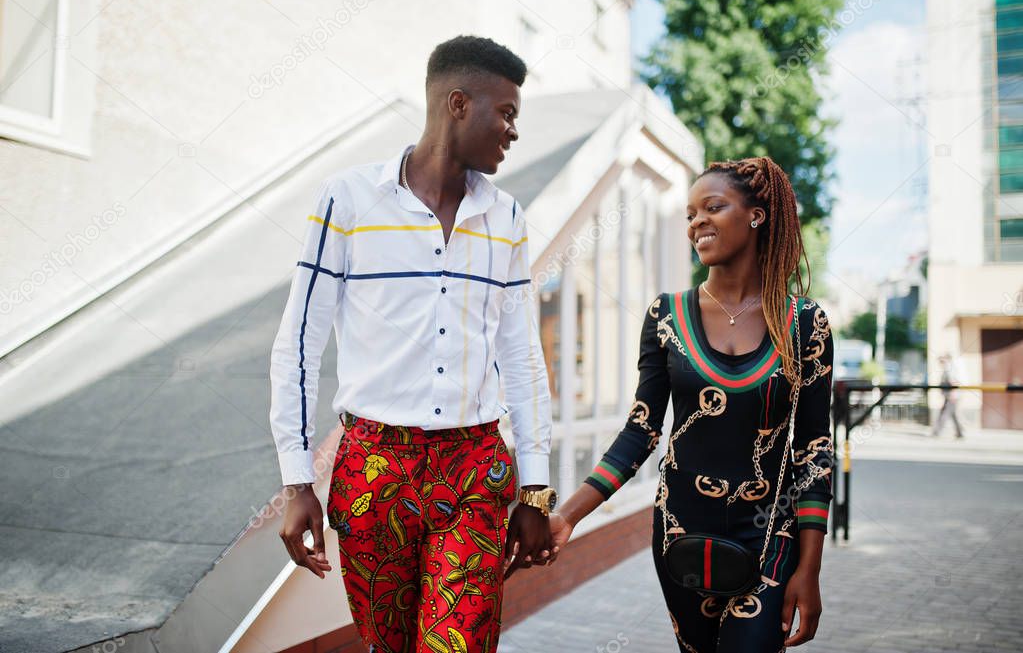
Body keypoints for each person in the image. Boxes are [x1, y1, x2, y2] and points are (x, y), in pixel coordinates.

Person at [268, 35, 558, 653]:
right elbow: (298, 341)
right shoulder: (348, 199)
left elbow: (522, 357)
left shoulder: (507, 218)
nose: (512, 131)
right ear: (458, 103)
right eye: (505, 113)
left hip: (474, 468)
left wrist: (535, 488)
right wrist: (297, 483)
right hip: (373, 471)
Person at [547, 158, 835, 651]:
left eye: (713, 207)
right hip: (681, 533)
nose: (696, 222)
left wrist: (809, 570)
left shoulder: (806, 324)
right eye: (689, 214)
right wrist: (568, 515)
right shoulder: (666, 316)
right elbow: (641, 431)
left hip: (771, 533)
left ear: (757, 216)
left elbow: (813, 450)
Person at [931, 352, 964, 438]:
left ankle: (936, 432)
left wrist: (953, 394)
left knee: (944, 414)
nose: (940, 363)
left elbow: (953, 383)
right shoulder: (949, 368)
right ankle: (959, 432)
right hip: (950, 396)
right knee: (952, 415)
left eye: (942, 360)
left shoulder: (950, 369)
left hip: (951, 396)